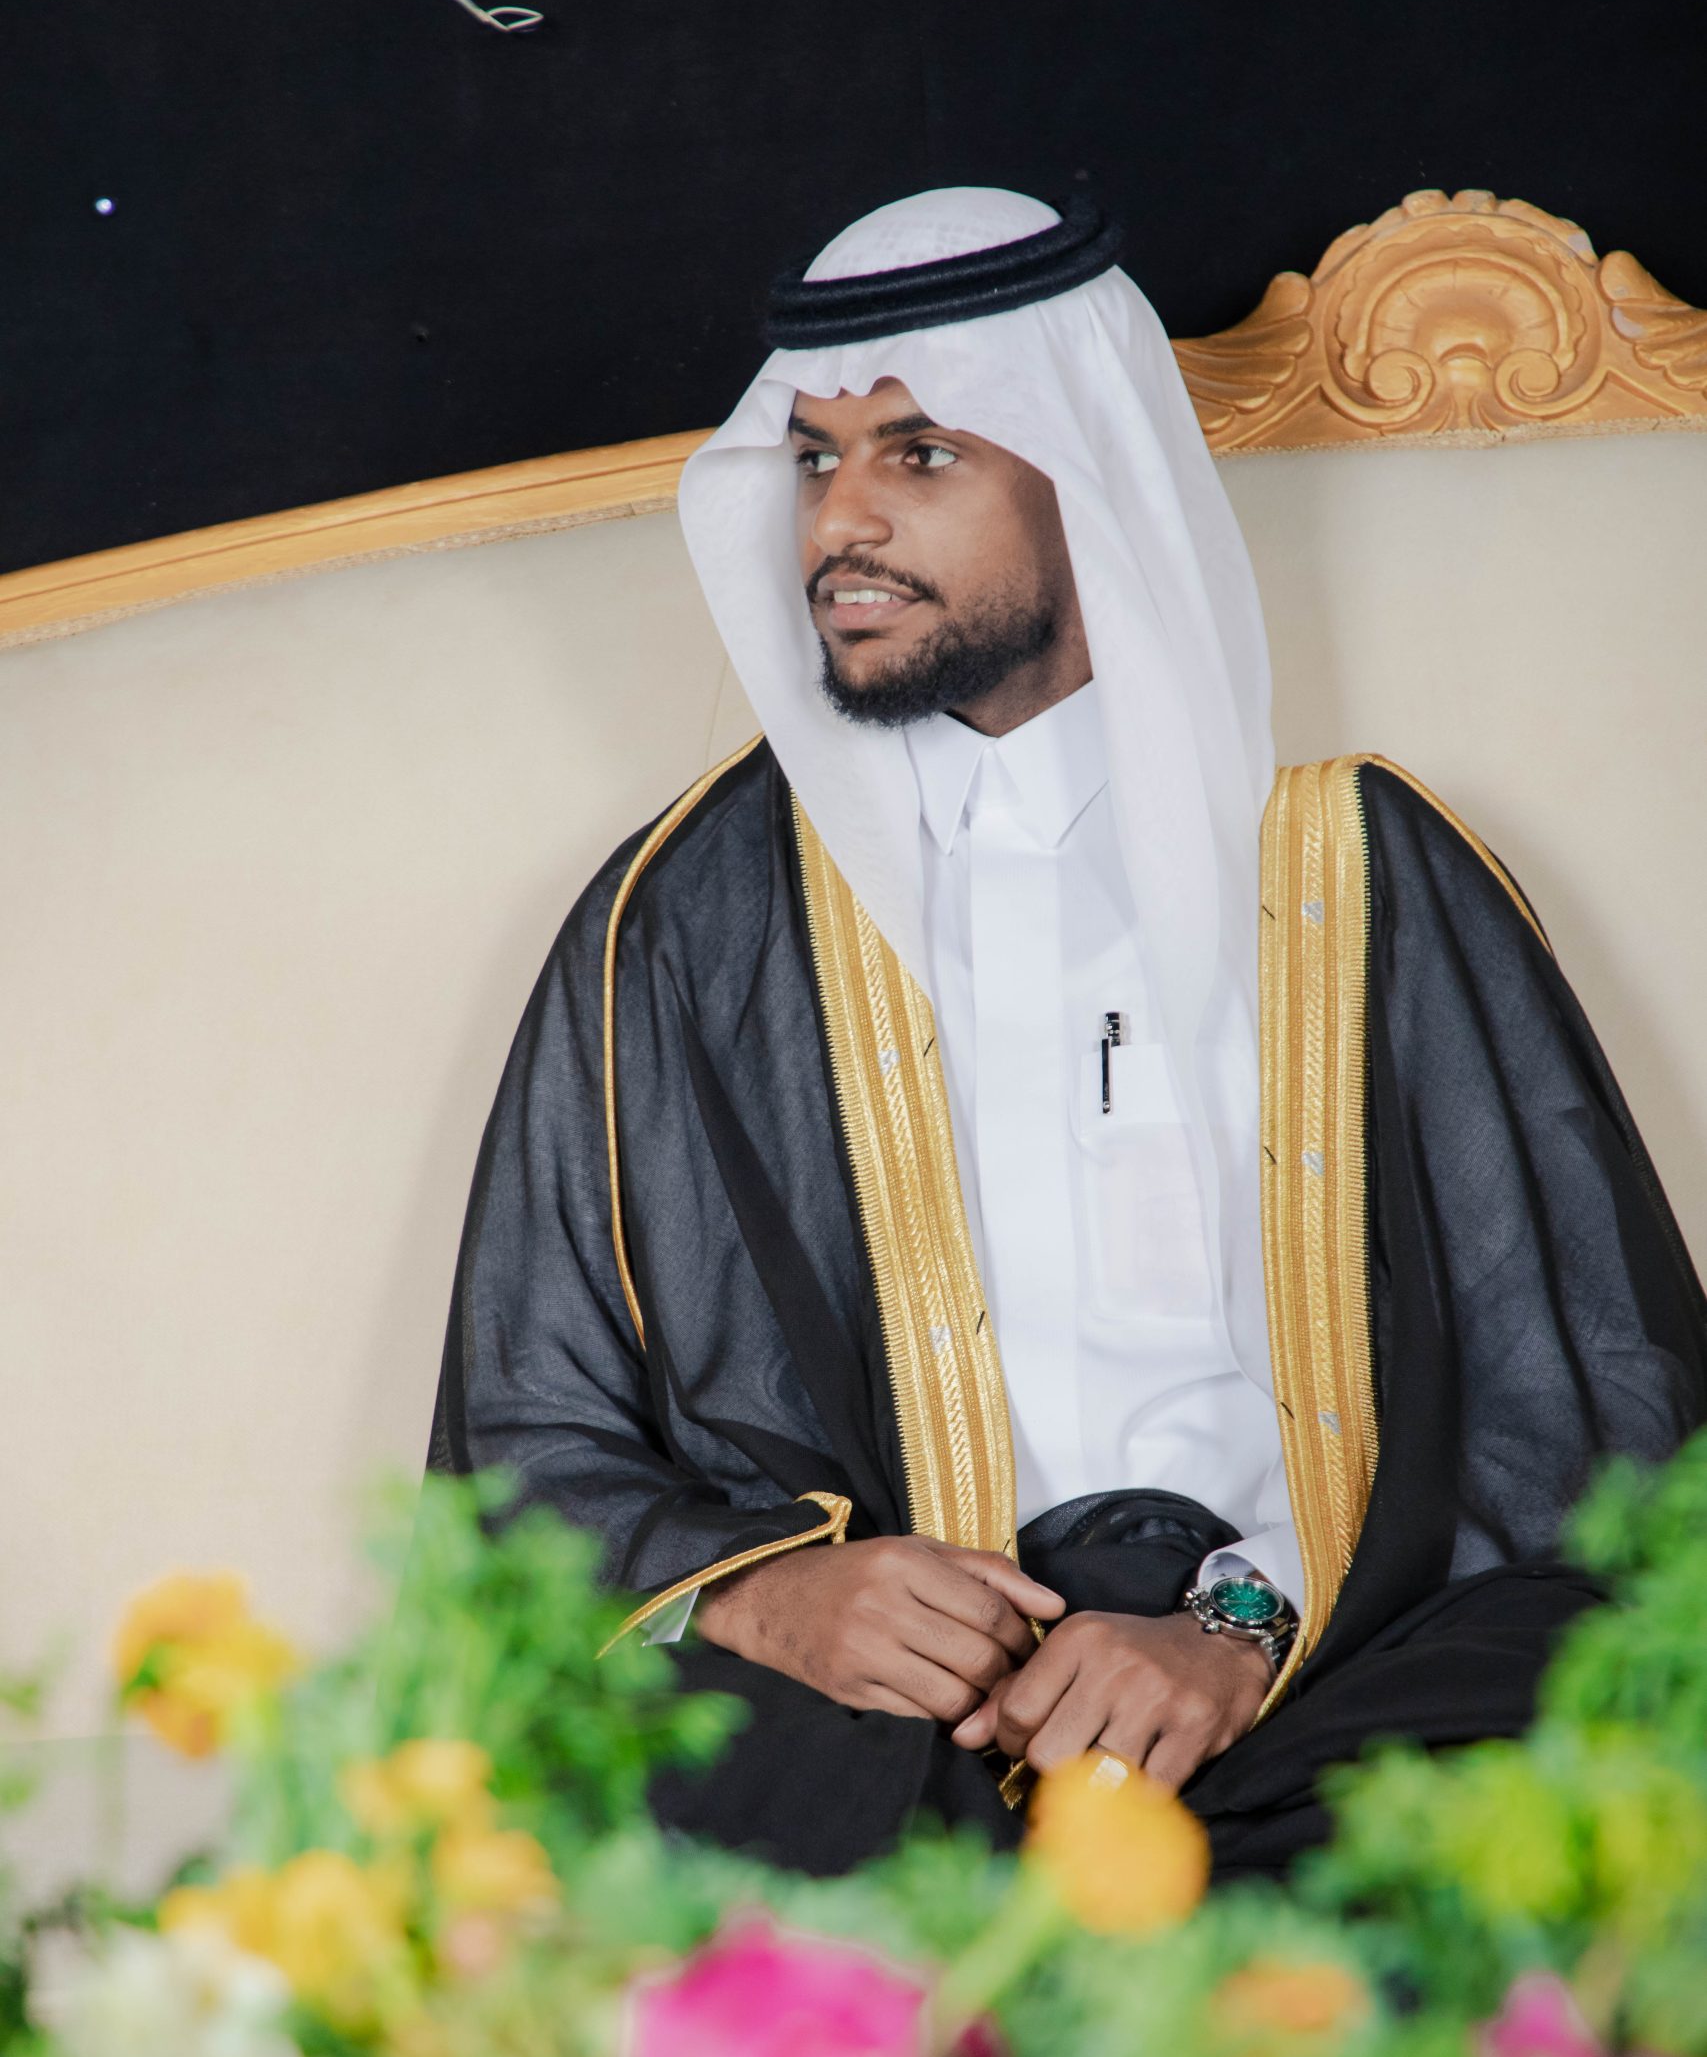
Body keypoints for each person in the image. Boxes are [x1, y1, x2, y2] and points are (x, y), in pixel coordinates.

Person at [428, 188, 1707, 1880]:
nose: (841, 524)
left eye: (920, 454)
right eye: (813, 462)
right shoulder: (685, 922)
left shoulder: (1361, 874)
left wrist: (1242, 1627)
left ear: (1087, 474)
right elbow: (527, 1434)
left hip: (1326, 1662)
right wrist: (771, 1597)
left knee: (1564, 1745)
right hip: (889, 1718)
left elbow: (1587, 1403)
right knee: (675, 1791)